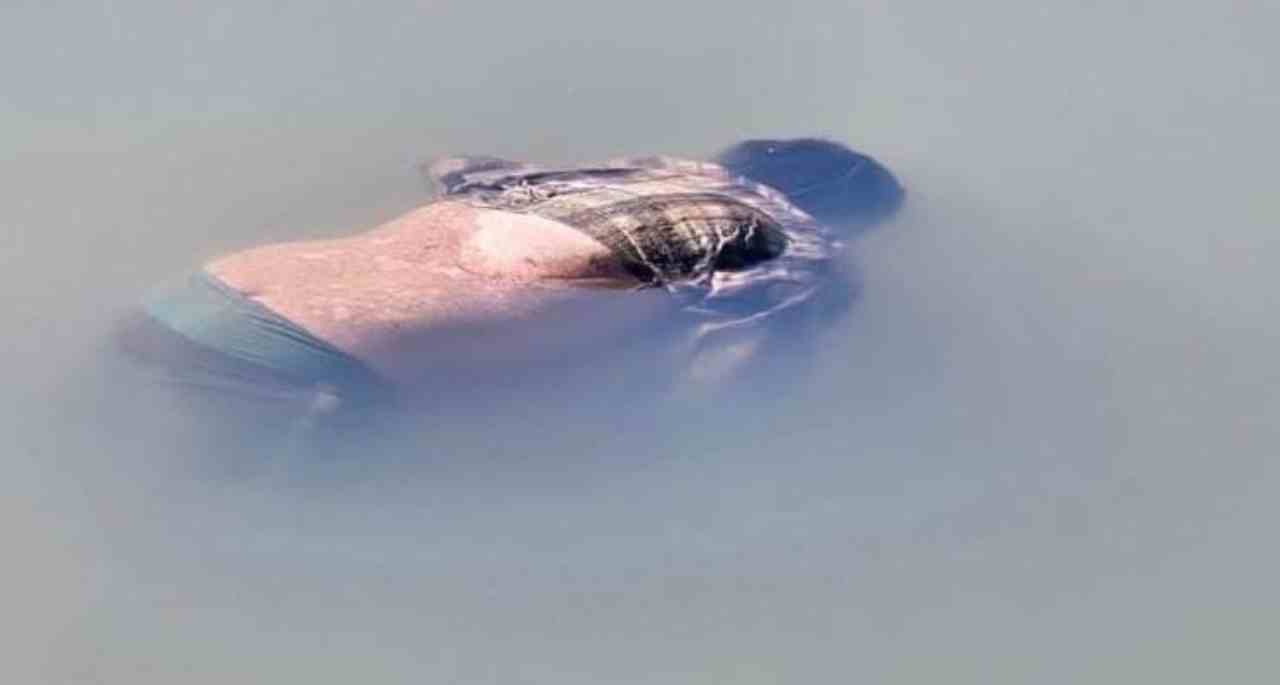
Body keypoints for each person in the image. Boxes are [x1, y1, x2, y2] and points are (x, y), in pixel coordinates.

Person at [118, 138, 904, 414]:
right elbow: (720, 387)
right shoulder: (794, 253)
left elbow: (446, 165)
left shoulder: (623, 173)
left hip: (193, 295)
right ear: (846, 223)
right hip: (309, 374)